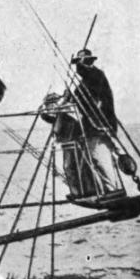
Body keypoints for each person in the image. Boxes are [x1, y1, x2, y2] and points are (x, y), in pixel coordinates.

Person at [68, 48, 121, 194]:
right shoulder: (87, 81)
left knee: (99, 157)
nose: (78, 67)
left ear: (89, 62)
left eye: (82, 63)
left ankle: (112, 191)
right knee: (95, 159)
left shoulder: (95, 76)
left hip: (99, 126)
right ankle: (105, 190)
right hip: (95, 126)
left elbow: (92, 101)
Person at [40, 93, 95, 198]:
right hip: (68, 144)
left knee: (79, 167)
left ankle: (87, 191)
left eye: (50, 105)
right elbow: (46, 116)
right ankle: (77, 192)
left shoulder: (67, 111)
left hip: (76, 144)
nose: (49, 108)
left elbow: (76, 120)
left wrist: (62, 106)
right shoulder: (59, 114)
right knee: (69, 168)